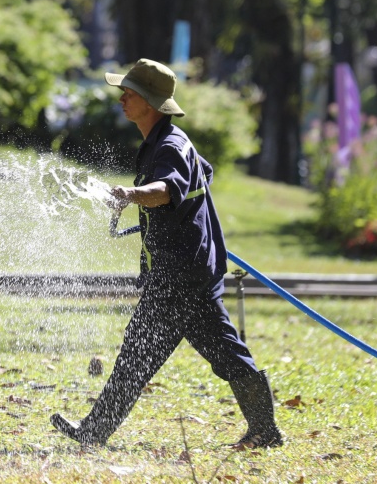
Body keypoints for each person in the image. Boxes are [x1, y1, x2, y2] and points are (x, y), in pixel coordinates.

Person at [50, 59, 282, 449]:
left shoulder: (171, 145)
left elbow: (166, 189)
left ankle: (265, 430)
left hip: (183, 278)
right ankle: (94, 432)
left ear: (151, 102)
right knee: (158, 352)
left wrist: (130, 194)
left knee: (189, 353)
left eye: (129, 93)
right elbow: (202, 174)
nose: (122, 98)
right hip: (180, 274)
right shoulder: (163, 142)